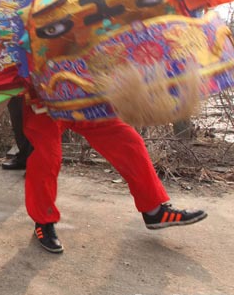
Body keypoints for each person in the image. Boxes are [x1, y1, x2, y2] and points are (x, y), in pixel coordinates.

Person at [22, 101, 206, 254]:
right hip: (43, 101)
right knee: (46, 158)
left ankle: (154, 211)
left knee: (128, 141)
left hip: (84, 97)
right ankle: (43, 221)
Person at [1, 95, 31, 170]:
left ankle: (34, 162)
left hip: (36, 87)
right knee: (17, 117)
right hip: (14, 87)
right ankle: (24, 158)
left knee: (32, 119)